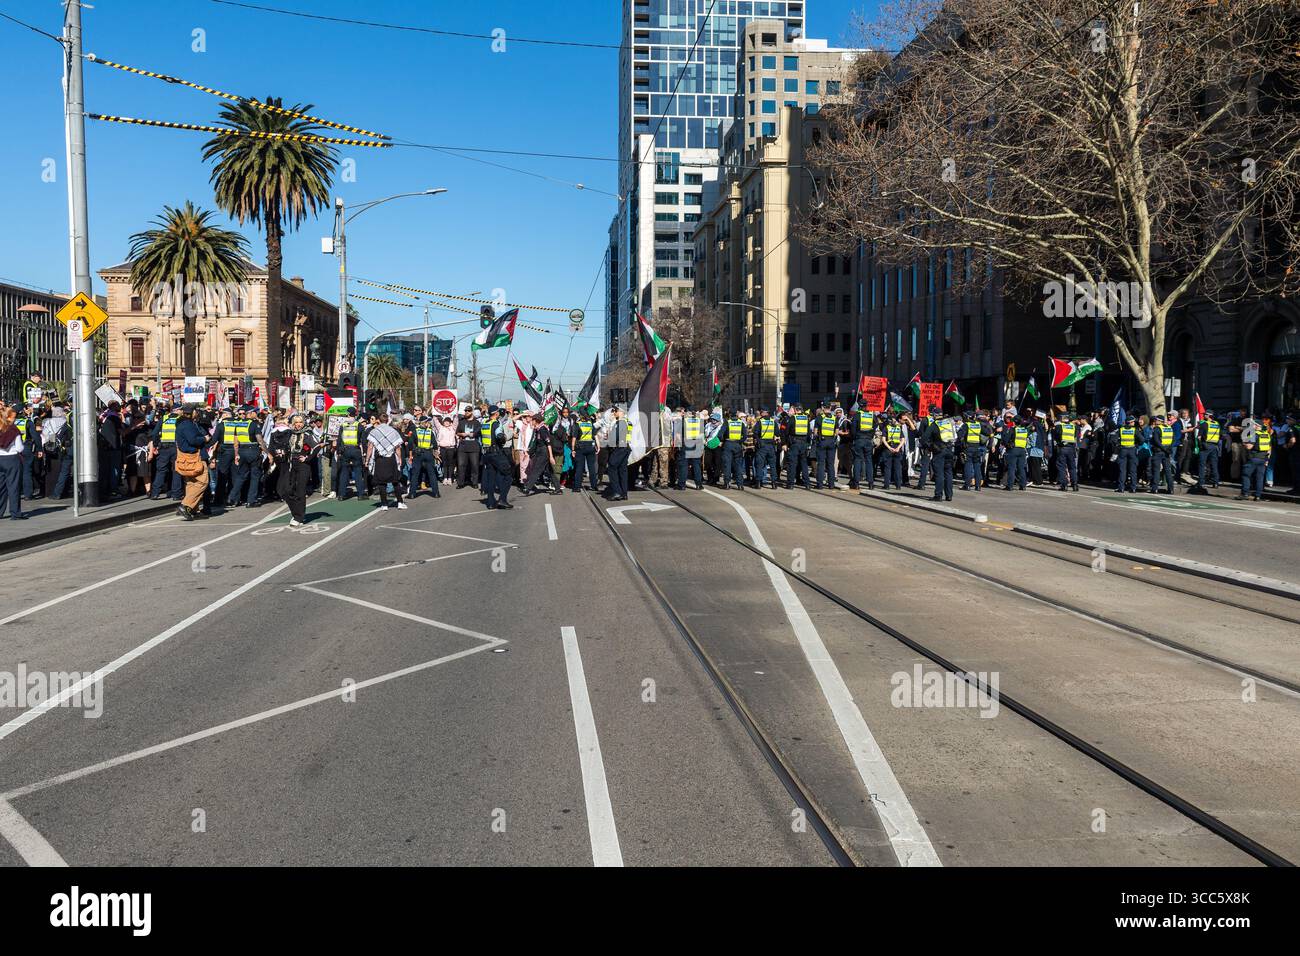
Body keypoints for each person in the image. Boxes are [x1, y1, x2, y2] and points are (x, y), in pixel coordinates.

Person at [269, 412, 315, 525]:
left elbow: (317, 446)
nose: (298, 424)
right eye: (296, 422)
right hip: (290, 465)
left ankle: (299, 517)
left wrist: (307, 458)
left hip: (303, 466)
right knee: (285, 491)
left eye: (300, 422)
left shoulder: (307, 434)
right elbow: (280, 445)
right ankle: (297, 513)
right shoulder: (290, 434)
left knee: (300, 491)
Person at [174, 406, 213, 520]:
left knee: (191, 483)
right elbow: (193, 440)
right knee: (203, 482)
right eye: (196, 411)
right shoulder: (187, 424)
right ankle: (185, 505)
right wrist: (204, 439)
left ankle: (192, 509)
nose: (197, 413)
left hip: (187, 458)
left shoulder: (184, 423)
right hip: (193, 457)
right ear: (191, 413)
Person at [365, 413, 408, 510]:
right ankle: (400, 502)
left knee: (381, 482)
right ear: (387, 420)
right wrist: (400, 459)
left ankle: (384, 504)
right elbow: (397, 447)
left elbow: (370, 447)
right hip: (391, 458)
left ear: (378, 421)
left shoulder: (374, 431)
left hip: (380, 459)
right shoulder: (393, 431)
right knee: (395, 481)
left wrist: (367, 460)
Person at [920, 406, 956, 501]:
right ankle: (949, 495)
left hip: (939, 451)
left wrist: (928, 445)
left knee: (939, 473)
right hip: (949, 450)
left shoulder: (934, 424)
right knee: (948, 473)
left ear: (935, 415)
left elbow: (923, 438)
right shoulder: (949, 423)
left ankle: (938, 495)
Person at [482, 406, 515, 509]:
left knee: (491, 478)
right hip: (496, 453)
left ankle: (491, 503)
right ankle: (502, 499)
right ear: (496, 414)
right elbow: (499, 435)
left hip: (486, 454)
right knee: (508, 475)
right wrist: (503, 438)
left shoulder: (485, 423)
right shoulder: (496, 423)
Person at [1236, 412, 1272, 501]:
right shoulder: (1267, 435)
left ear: (1257, 426)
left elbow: (1249, 447)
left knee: (1246, 475)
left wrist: (1244, 443)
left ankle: (1244, 493)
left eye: (1253, 425)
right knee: (1259, 478)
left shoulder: (1254, 434)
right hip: (1263, 459)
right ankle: (1258, 495)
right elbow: (1269, 449)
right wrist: (1267, 460)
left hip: (1254, 458)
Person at [0, 406, 27, 520]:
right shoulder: (14, 430)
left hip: (0, 458)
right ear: (10, 417)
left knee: (1, 487)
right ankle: (15, 513)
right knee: (13, 486)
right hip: (12, 459)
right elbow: (20, 448)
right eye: (14, 417)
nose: (15, 419)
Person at [409, 416, 441, 498]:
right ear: (424, 422)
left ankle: (412, 493)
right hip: (428, 453)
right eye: (427, 422)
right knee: (432, 474)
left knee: (415, 474)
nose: (428, 423)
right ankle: (436, 493)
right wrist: (436, 455)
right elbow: (435, 445)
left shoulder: (415, 431)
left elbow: (410, 444)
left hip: (418, 453)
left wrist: (411, 455)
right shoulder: (430, 432)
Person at [604, 406, 630, 501]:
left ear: (620, 412)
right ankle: (624, 493)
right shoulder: (627, 421)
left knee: (612, 467)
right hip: (625, 447)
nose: (614, 413)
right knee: (622, 470)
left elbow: (615, 437)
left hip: (620, 448)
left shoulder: (620, 422)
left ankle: (617, 492)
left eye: (615, 411)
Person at [676, 408, 704, 490]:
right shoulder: (699, 422)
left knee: (683, 465)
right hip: (696, 444)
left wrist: (679, 445)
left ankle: (682, 485)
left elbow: (678, 435)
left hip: (685, 444)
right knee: (696, 465)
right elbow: (702, 435)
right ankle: (699, 484)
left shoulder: (683, 421)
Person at [850, 405, 877, 491]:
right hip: (868, 440)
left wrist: (855, 438)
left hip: (859, 439)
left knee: (857, 461)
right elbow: (875, 426)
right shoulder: (872, 415)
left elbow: (853, 429)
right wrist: (870, 435)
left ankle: (856, 483)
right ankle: (871, 483)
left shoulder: (857, 415)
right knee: (869, 461)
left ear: (860, 407)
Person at [1148, 413, 1176, 494]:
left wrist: (1163, 448)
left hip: (1158, 451)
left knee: (1156, 470)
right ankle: (1171, 489)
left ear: (1160, 421)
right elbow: (1173, 440)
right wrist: (1169, 448)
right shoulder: (1169, 428)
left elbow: (1156, 441)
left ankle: (1155, 489)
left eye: (1156, 420)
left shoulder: (1157, 429)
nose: (1155, 421)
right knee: (1168, 471)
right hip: (1166, 452)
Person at [572, 411, 599, 492]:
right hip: (591, 446)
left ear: (580, 415)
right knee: (591, 467)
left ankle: (577, 487)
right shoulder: (590, 424)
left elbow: (574, 438)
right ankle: (594, 486)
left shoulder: (578, 424)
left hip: (580, 447)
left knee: (579, 467)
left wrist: (573, 449)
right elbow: (595, 436)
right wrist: (598, 446)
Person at [720, 409, 747, 490]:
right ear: (737, 415)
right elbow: (745, 436)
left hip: (728, 444)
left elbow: (720, 434)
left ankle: (727, 483)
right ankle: (740, 485)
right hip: (737, 445)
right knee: (738, 465)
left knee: (727, 465)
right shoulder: (741, 423)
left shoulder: (727, 422)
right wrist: (739, 442)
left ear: (730, 415)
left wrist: (724, 441)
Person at [813, 404, 839, 489]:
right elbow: (837, 432)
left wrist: (817, 438)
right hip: (831, 442)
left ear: (823, 408)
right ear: (830, 408)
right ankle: (831, 484)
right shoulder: (834, 418)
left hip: (822, 441)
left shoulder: (820, 418)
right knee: (830, 464)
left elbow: (815, 432)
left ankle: (820, 484)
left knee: (821, 463)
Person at [455, 406, 481, 490]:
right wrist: (461, 434)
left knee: (474, 465)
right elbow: (457, 432)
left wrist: (471, 434)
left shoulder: (477, 422)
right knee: (461, 465)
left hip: (474, 447)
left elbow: (477, 432)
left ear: (472, 412)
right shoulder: (462, 422)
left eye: (468, 411)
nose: (466, 412)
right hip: (462, 447)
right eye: (465, 410)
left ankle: (474, 482)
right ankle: (461, 483)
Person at [1196, 409, 1222, 489]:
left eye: (1205, 415)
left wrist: (1200, 446)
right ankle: (1216, 482)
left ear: (1209, 416)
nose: (1204, 416)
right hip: (1214, 446)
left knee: (1202, 465)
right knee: (1214, 465)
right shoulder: (1217, 424)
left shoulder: (1204, 424)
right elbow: (1219, 435)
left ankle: (1201, 483)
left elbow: (1199, 437)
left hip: (1205, 446)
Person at [753, 410, 779, 489]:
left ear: (765, 413)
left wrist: (758, 440)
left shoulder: (760, 422)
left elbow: (755, 433)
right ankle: (774, 483)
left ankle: (758, 483)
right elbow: (777, 433)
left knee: (759, 465)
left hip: (762, 446)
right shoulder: (773, 421)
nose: (761, 414)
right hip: (771, 446)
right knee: (772, 466)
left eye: (762, 412)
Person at [1054, 415, 1080, 491]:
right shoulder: (1073, 426)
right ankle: (1075, 484)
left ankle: (1064, 485)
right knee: (1072, 467)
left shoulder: (1059, 426)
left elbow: (1056, 436)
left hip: (1062, 448)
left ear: (1062, 419)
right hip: (1071, 448)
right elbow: (1075, 435)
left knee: (1061, 467)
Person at [881, 414, 905, 490]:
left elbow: (883, 439)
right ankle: (898, 486)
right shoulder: (899, 428)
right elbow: (903, 440)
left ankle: (887, 485)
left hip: (888, 449)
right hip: (897, 449)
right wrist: (898, 448)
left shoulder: (886, 428)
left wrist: (889, 447)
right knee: (897, 468)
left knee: (888, 467)